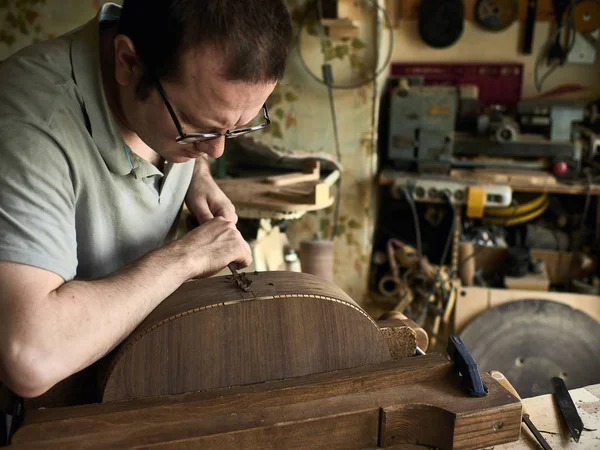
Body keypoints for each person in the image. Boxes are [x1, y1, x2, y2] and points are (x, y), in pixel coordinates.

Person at [0, 0, 293, 399]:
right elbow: (30, 356)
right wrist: (184, 258)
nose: (217, 150)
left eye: (239, 127)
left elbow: (202, 133)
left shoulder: (173, 103)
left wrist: (195, 175)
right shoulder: (30, 127)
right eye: (198, 128)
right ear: (127, 63)